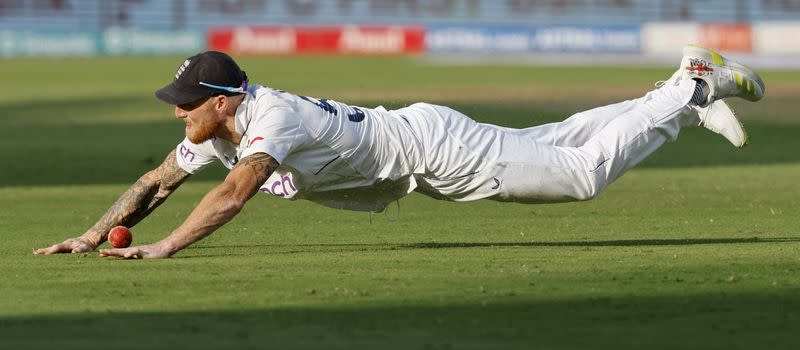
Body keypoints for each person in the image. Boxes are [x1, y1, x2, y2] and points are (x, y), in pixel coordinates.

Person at [34, 45, 765, 259]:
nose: (179, 114)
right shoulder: (219, 129)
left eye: (186, 104)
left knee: (578, 175)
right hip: (420, 145)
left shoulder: (270, 120)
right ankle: (679, 99)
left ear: (223, 102)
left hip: (431, 151)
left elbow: (231, 198)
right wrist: (93, 234)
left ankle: (691, 91)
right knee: (559, 139)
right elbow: (156, 181)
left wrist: (161, 250)